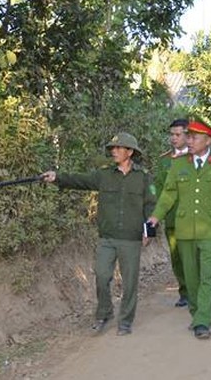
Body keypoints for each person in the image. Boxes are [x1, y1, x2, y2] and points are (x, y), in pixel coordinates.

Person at [41, 132, 156, 335]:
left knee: (130, 282)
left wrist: (150, 232)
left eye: (118, 148)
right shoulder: (104, 175)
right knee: (102, 276)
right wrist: (57, 177)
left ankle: (126, 321)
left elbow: (150, 206)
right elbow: (80, 180)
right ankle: (104, 313)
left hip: (131, 238)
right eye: (112, 148)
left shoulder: (143, 177)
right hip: (107, 237)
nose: (114, 151)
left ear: (129, 152)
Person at [147, 117, 211, 340]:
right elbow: (168, 194)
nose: (189, 140)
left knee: (209, 276)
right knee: (192, 278)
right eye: (188, 136)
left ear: (207, 140)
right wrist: (155, 217)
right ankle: (197, 313)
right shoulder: (179, 164)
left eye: (194, 137)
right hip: (185, 230)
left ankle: (203, 321)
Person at [155, 118, 190, 307]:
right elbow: (159, 190)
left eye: (178, 134)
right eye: (172, 135)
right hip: (172, 219)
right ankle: (184, 291)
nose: (173, 138)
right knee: (177, 257)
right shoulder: (164, 160)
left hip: (194, 219)